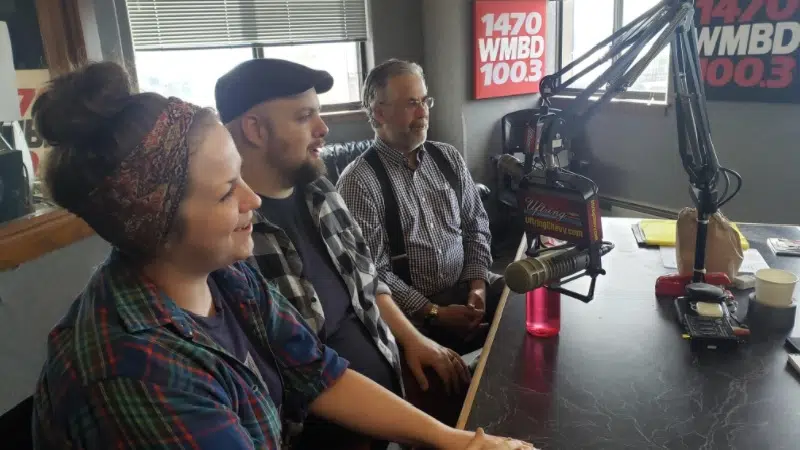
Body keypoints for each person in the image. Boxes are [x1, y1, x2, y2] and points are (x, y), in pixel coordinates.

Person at [29, 61, 533, 450]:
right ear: (157, 224)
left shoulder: (226, 277)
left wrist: (456, 441)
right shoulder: (137, 375)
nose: (252, 199)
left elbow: (317, 372)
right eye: (226, 191)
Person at [215, 59, 471, 449]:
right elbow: (294, 370)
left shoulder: (321, 191)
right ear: (254, 129)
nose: (323, 128)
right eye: (305, 117)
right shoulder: (231, 235)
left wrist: (414, 339)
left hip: (388, 406)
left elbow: (368, 280)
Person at [336, 59, 503, 355]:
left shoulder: (448, 158)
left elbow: (476, 224)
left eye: (425, 101)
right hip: (411, 313)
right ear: (379, 112)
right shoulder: (358, 182)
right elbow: (372, 272)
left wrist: (477, 286)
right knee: (448, 372)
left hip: (469, 284)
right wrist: (434, 313)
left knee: (525, 304)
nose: (423, 112)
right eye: (412, 103)